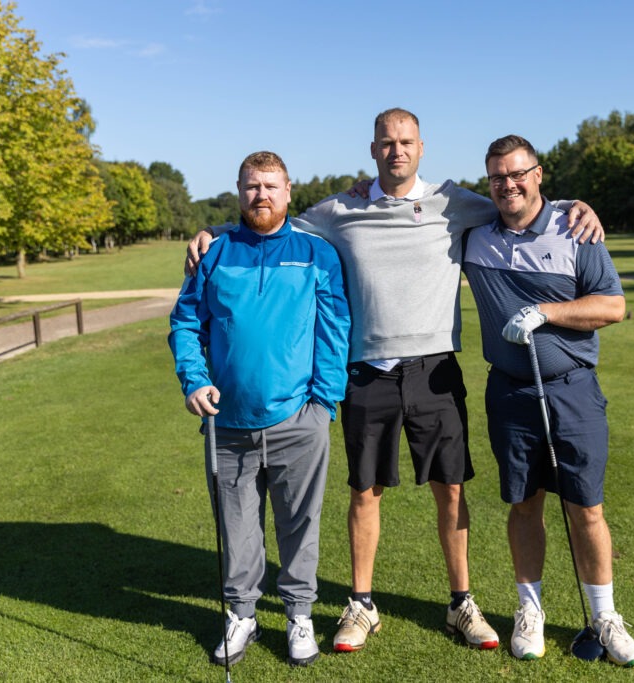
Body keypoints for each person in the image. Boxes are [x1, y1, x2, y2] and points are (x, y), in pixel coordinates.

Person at [185, 109, 605, 654]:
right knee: (365, 492)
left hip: (434, 370)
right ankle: (361, 605)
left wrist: (577, 206)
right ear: (373, 149)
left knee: (450, 491)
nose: (396, 151)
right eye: (387, 143)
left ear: (422, 147)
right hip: (368, 372)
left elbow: (520, 201)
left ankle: (461, 603)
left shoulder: (457, 203)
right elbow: (270, 220)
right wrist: (213, 231)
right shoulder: (340, 209)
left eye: (405, 142)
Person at [462, 135, 634, 666]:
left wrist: (547, 311)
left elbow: (612, 305)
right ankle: (530, 609)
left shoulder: (574, 227)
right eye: (497, 177)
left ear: (539, 174)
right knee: (524, 503)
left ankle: (605, 616)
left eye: (518, 174)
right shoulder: (475, 234)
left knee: (585, 506)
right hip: (511, 392)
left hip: (572, 390)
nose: (508, 184)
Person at [169, 151, 350, 667]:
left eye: (271, 186)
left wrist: (324, 402)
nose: (261, 195)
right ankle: (242, 614)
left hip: (300, 417)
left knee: (300, 524)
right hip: (226, 422)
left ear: (289, 191)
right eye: (252, 186)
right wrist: (194, 380)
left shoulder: (317, 252)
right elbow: (186, 325)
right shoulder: (215, 251)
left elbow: (333, 331)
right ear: (239, 190)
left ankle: (298, 615)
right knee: (236, 526)